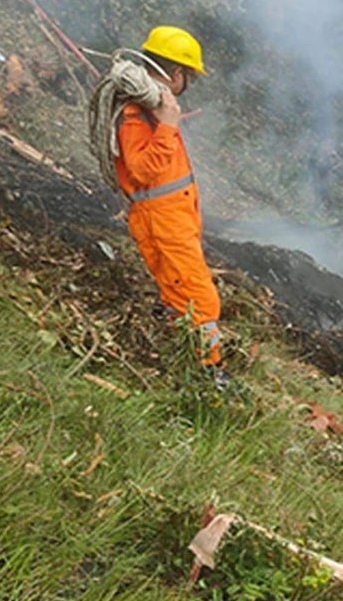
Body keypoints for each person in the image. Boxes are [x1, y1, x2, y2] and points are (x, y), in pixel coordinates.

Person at [112, 26, 226, 386]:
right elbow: (143, 170)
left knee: (181, 293)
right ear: (177, 73)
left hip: (174, 220)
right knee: (203, 303)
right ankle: (207, 377)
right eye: (188, 76)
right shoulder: (138, 115)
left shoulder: (153, 107)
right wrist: (165, 127)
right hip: (162, 224)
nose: (187, 83)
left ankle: (180, 353)